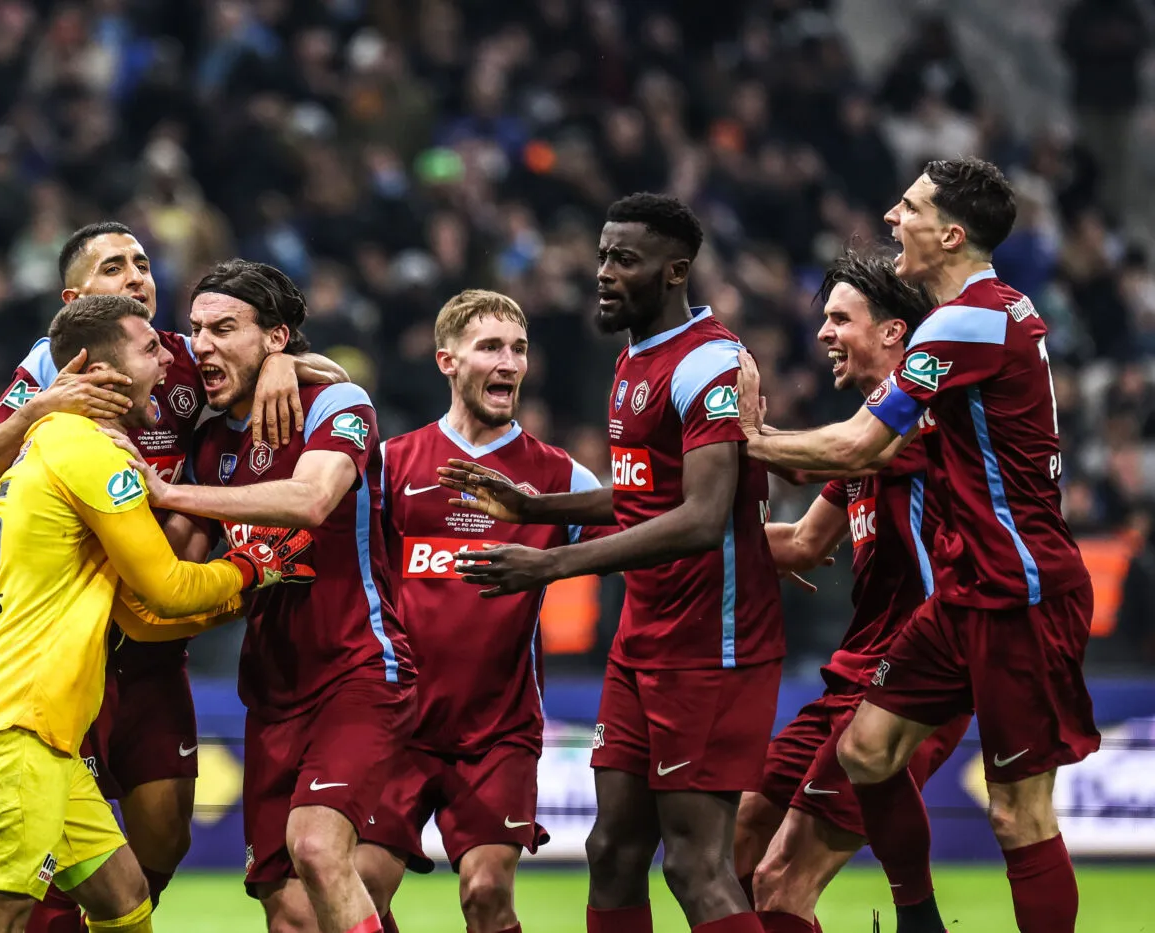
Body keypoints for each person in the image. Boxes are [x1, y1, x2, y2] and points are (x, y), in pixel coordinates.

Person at [735, 158, 1100, 933]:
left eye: (909, 207)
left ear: (951, 233)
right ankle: (920, 920)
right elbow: (821, 509)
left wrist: (742, 440)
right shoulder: (975, 320)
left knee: (1018, 815)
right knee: (867, 750)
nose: (894, 218)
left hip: (1020, 589)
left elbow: (860, 446)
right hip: (964, 592)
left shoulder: (973, 317)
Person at [0, 222, 346, 930]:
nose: (138, 275)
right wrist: (42, 407)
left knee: (157, 847)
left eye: (141, 261)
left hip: (152, 645)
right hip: (75, 647)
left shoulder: (181, 360)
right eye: (114, 267)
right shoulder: (55, 373)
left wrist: (286, 363)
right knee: (26, 883)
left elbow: (321, 380)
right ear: (78, 302)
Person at [443, 193, 785, 933]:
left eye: (623, 259)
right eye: (602, 254)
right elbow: (641, 495)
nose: (602, 272)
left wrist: (552, 564)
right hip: (646, 636)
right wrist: (536, 508)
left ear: (675, 271)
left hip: (711, 646)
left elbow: (700, 517)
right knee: (613, 851)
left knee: (696, 865)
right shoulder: (636, 355)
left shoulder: (710, 363)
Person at [126, 260, 415, 933]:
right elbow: (188, 567)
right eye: (196, 329)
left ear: (276, 337)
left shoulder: (339, 406)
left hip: (359, 669)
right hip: (273, 688)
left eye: (224, 328)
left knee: (318, 849)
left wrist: (170, 492)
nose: (202, 344)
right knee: (286, 910)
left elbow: (312, 499)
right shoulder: (209, 437)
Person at [730, 250, 971, 933]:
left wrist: (740, 440)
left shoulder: (923, 418)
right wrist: (665, 537)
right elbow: (805, 543)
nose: (824, 334)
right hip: (852, 675)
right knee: (744, 830)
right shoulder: (868, 438)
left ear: (894, 332)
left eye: (840, 318)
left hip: (914, 681)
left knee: (780, 881)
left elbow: (848, 450)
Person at [356, 289, 602, 933]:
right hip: (398, 724)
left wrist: (756, 545)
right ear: (447, 361)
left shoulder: (558, 478)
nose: (510, 362)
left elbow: (654, 535)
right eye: (491, 347)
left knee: (486, 892)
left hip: (498, 730)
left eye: (519, 349)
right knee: (358, 892)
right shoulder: (392, 467)